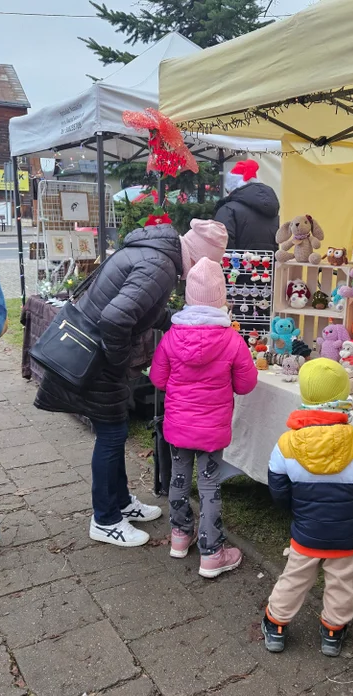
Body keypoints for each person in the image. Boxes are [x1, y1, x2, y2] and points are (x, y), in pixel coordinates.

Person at [34, 218, 230, 548]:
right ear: (198, 259)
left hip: (97, 353)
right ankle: (105, 519)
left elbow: (143, 307)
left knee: (115, 431)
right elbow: (115, 318)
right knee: (111, 435)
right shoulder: (161, 265)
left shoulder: (154, 253)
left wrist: (175, 321)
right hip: (98, 358)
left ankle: (120, 502)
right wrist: (119, 360)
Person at [261, 359, 353, 657]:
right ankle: (333, 631)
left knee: (295, 576)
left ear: (305, 396)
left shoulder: (286, 444)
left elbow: (278, 489)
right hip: (350, 532)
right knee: (344, 582)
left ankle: (276, 623)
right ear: (345, 395)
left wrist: (297, 510)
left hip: (307, 530)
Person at [149, 257, 258, 577]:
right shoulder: (231, 340)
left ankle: (180, 536)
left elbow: (157, 379)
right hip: (212, 430)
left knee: (179, 480)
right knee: (210, 487)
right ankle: (212, 552)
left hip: (179, 427)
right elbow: (247, 383)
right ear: (221, 297)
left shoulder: (172, 336)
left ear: (189, 296)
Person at [213, 159, 280, 251]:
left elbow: (220, 244)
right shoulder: (272, 207)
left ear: (232, 188)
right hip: (271, 264)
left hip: (239, 264)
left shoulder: (228, 210)